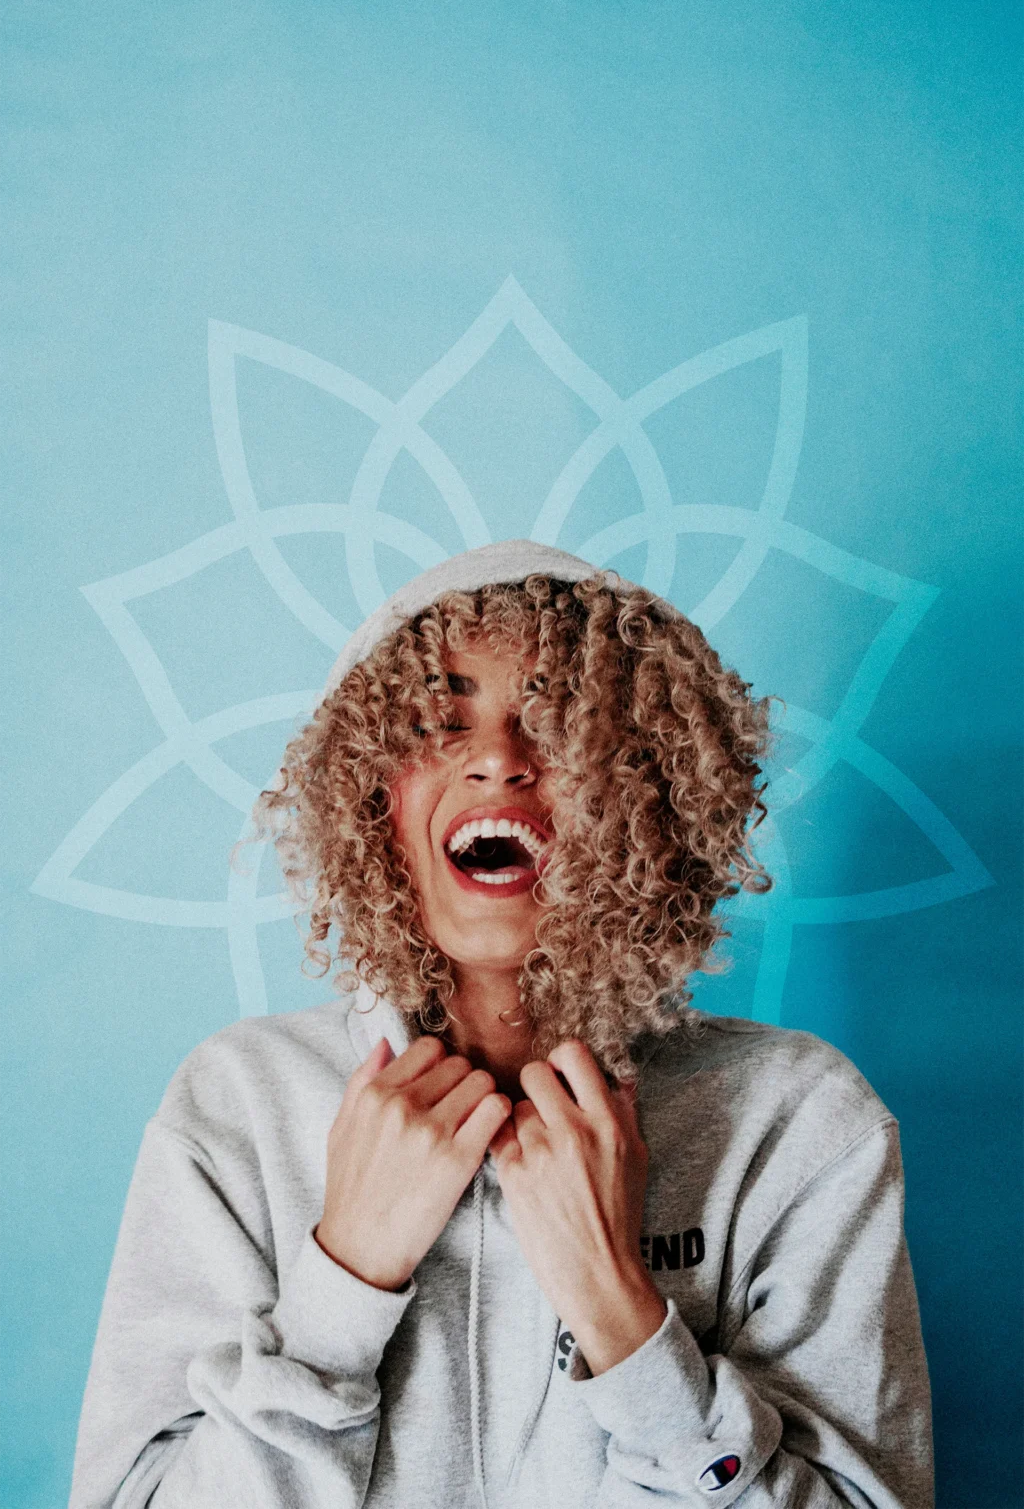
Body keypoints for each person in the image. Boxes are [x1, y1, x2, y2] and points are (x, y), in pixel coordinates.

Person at [69, 540, 934, 1508]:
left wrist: (626, 1321)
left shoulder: (801, 1127)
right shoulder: (236, 1109)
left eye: (559, 723)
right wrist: (340, 1287)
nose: (496, 761)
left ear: (644, 791)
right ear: (374, 799)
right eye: (441, 722)